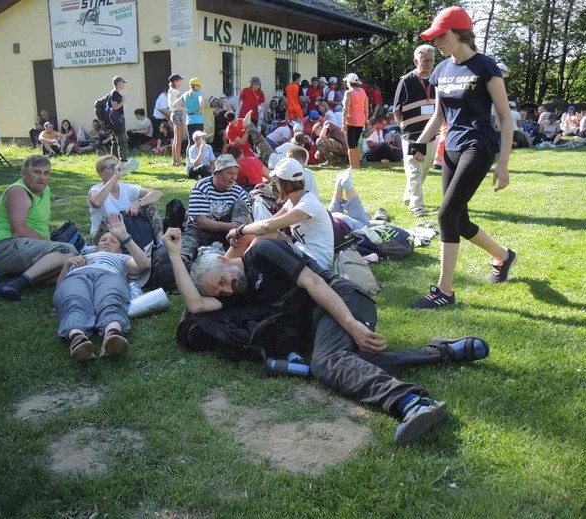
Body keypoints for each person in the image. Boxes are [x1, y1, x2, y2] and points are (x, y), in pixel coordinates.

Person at [163, 230, 490, 446]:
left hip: (341, 299)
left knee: (327, 363)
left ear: (223, 261)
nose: (225, 290)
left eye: (221, 281)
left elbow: (316, 285)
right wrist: (175, 254)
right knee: (352, 363)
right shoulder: (242, 294)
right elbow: (194, 304)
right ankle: (441, 351)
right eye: (218, 291)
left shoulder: (263, 250)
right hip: (322, 324)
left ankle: (412, 402)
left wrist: (351, 325)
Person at [410, 5, 517, 309]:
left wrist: (504, 163)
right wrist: (421, 140)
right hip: (452, 148)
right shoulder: (441, 70)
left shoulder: (485, 67)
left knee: (445, 215)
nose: (437, 42)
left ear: (459, 33)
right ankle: (503, 256)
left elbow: (506, 118)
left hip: (478, 147)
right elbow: (441, 114)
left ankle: (445, 291)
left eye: (441, 36)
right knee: (459, 218)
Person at [54, 213, 150, 362]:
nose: (106, 242)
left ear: (120, 250)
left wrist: (124, 236)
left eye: (112, 241)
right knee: (73, 299)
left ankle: (112, 335)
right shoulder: (85, 254)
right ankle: (78, 338)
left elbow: (144, 265)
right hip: (79, 275)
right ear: (95, 245)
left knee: (111, 298)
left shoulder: (121, 258)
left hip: (110, 275)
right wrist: (68, 264)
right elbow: (60, 289)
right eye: (103, 240)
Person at [0, 155, 78, 301]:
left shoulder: (45, 189)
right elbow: (19, 231)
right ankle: (17, 283)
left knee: (72, 267)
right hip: (6, 246)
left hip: (26, 246)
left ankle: (9, 278)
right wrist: (50, 244)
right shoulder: (18, 192)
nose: (42, 177)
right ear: (24, 173)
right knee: (69, 252)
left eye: (46, 173)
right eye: (37, 172)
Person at [226, 157, 333, 269]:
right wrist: (243, 233)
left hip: (317, 261)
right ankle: (221, 265)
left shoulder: (308, 204)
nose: (273, 183)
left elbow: (268, 226)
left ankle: (235, 266)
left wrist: (239, 230)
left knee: (267, 234)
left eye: (275, 180)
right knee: (249, 234)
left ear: (283, 182)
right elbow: (268, 222)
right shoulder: (294, 201)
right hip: (302, 252)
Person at [180, 154, 253, 263]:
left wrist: (237, 231)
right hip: (199, 231)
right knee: (184, 251)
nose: (233, 177)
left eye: (235, 174)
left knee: (241, 204)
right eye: (229, 173)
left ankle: (236, 245)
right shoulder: (201, 187)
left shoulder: (238, 191)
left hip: (228, 232)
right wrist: (229, 226)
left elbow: (248, 219)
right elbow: (202, 222)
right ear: (217, 173)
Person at [394, 44, 437, 217]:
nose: (427, 64)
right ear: (415, 61)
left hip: (431, 135)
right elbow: (397, 109)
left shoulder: (436, 80)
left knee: (424, 170)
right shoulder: (406, 81)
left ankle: (409, 196)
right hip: (411, 135)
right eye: (424, 60)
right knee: (414, 170)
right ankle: (417, 207)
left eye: (431, 60)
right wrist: (403, 127)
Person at [88, 154, 163, 239]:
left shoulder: (127, 188)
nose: (115, 169)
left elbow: (157, 193)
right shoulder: (96, 190)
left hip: (126, 233)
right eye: (110, 167)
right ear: (101, 174)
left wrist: (139, 203)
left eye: (116, 165)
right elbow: (96, 203)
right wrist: (115, 177)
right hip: (105, 235)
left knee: (150, 205)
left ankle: (160, 242)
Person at [342, 72, 369, 170]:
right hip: (360, 121)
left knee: (350, 145)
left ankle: (352, 166)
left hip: (351, 121)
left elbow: (345, 109)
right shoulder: (362, 91)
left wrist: (343, 122)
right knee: (356, 144)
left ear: (349, 82)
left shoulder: (349, 93)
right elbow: (366, 107)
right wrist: (366, 119)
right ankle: (356, 165)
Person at [174, 77, 205, 146]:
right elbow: (201, 101)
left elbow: (175, 105)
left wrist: (185, 110)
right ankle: (199, 156)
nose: (200, 88)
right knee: (199, 141)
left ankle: (189, 156)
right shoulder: (198, 94)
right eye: (199, 86)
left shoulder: (185, 94)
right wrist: (200, 110)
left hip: (189, 120)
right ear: (195, 86)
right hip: (198, 120)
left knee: (190, 142)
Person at [167, 74, 185, 167]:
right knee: (179, 139)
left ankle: (174, 160)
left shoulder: (170, 91)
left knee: (175, 139)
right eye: (180, 80)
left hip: (173, 114)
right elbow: (183, 102)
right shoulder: (176, 92)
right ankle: (178, 161)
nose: (181, 82)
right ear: (175, 81)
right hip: (177, 114)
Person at [109, 76, 129, 162]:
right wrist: (122, 101)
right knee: (122, 141)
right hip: (118, 121)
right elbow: (115, 106)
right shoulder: (115, 94)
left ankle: (113, 161)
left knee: (115, 141)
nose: (124, 84)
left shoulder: (112, 93)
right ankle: (123, 161)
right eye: (123, 82)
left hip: (113, 121)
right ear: (119, 82)